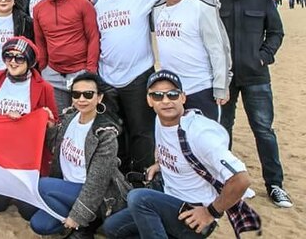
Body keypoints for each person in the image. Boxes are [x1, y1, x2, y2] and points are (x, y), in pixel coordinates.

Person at [102, 70, 261, 238]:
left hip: (193, 214)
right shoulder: (160, 120)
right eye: (157, 95)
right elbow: (177, 152)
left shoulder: (199, 133)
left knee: (138, 198)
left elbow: (242, 179)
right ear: (149, 100)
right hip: (169, 200)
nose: (166, 101)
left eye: (172, 94)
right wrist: (161, 164)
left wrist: (211, 212)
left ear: (183, 97)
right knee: (112, 228)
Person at [204, 0, 291, 207]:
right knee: (221, 131)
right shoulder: (211, 0)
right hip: (222, 78)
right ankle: (223, 182)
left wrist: (263, 57)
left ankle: (275, 185)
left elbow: (276, 32)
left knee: (263, 130)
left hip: (256, 76)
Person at [29, 73, 130, 238]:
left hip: (95, 195)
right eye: (76, 94)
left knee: (42, 185)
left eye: (88, 94)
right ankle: (88, 225)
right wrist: (47, 124)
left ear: (99, 98)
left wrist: (78, 216)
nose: (81, 99)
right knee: (39, 225)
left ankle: (86, 219)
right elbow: (54, 145)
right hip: (66, 188)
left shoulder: (105, 134)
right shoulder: (70, 117)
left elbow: (97, 182)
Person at [94, 0, 163, 175]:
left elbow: (170, 0)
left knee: (141, 131)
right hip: (108, 78)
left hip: (138, 75)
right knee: (116, 130)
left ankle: (141, 176)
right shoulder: (99, 5)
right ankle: (120, 176)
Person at [0, 37, 58, 217]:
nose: (13, 62)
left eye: (19, 58)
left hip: (25, 160)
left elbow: (53, 125)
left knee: (28, 213)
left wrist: (44, 121)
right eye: (8, 56)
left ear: (29, 61)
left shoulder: (44, 88)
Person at [153, 0, 230, 121]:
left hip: (201, 87)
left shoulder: (200, 7)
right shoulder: (157, 10)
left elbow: (218, 50)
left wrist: (221, 86)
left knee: (206, 139)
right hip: (172, 91)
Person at [33, 0, 100, 112]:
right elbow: (40, 41)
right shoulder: (38, 9)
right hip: (53, 73)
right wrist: (43, 68)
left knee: (82, 116)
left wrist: (90, 69)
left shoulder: (83, 4)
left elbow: (93, 37)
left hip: (80, 70)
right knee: (59, 118)